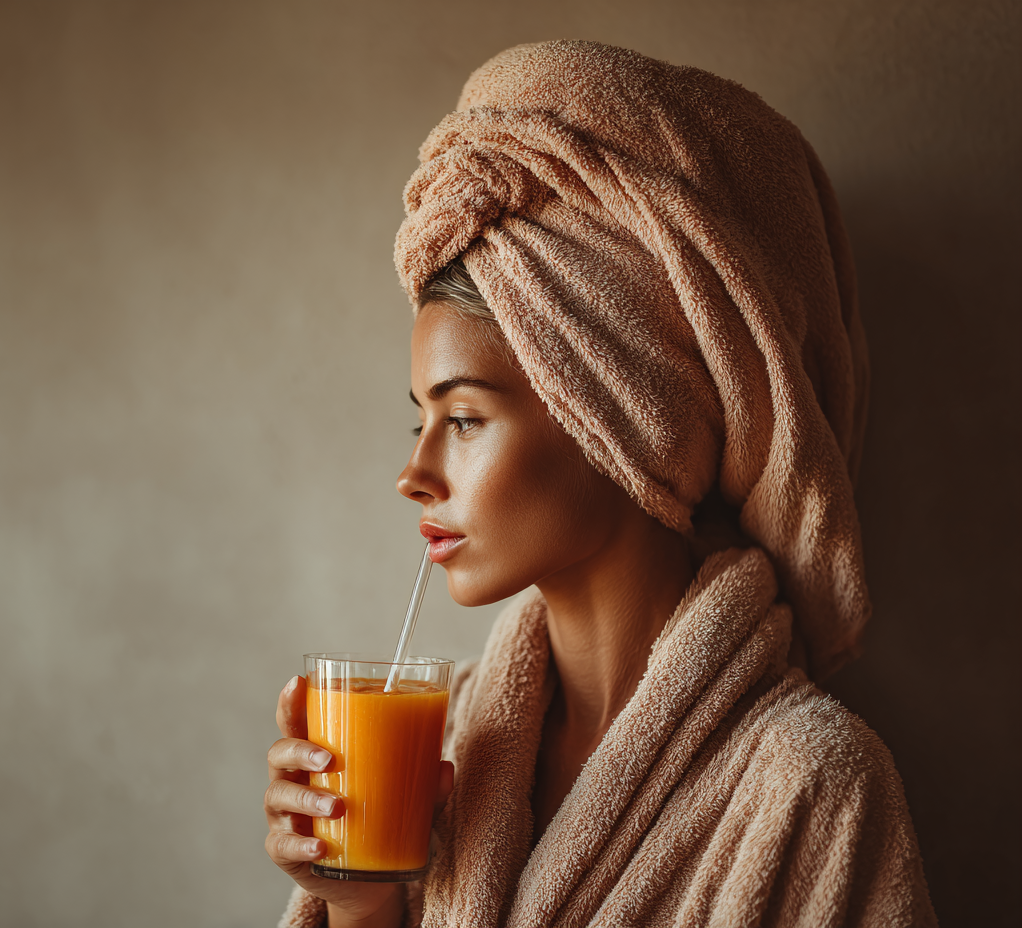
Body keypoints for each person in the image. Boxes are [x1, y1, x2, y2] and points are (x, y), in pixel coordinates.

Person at [264, 41, 936, 927]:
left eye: (463, 420)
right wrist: (358, 905)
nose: (412, 475)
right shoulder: (454, 740)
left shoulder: (812, 786)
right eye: (418, 420)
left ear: (621, 420)